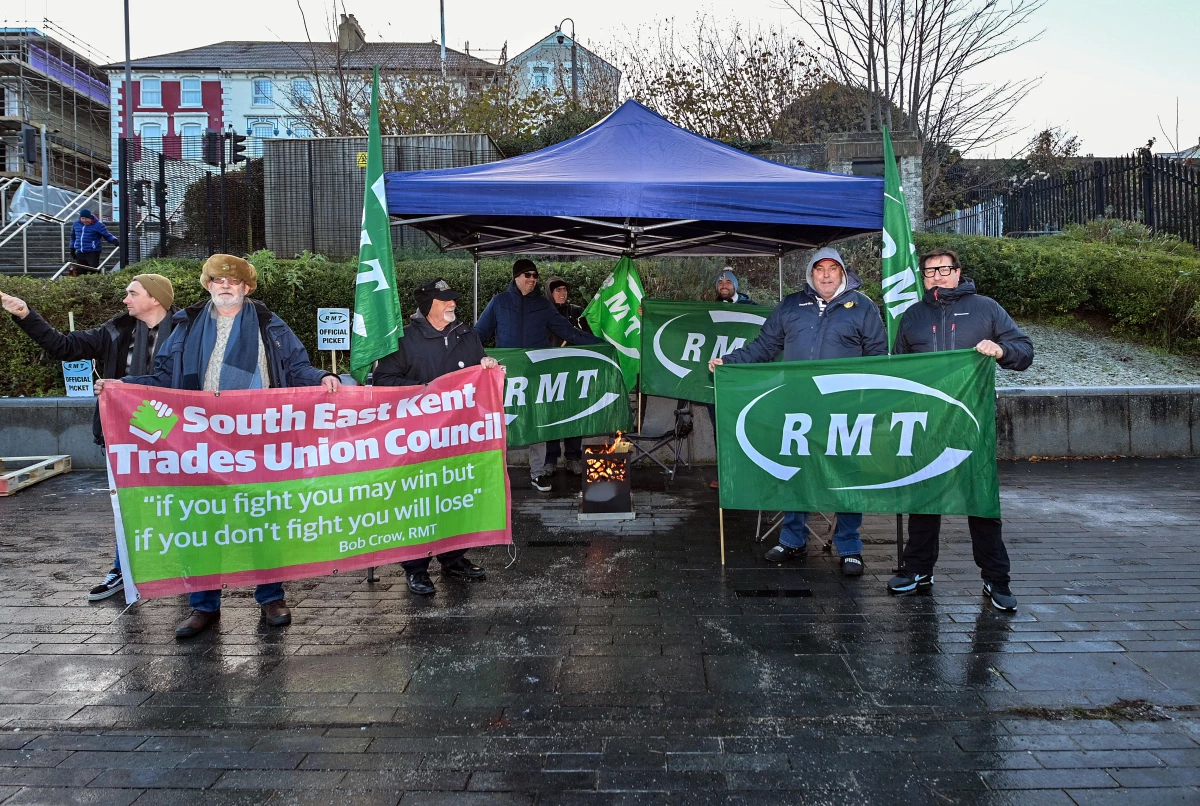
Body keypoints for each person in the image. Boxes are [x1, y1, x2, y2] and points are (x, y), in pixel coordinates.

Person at [98, 254, 339, 639]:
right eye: (217, 281)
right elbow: (163, 376)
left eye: (234, 281)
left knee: (263, 522)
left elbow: (297, 368)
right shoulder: (187, 324)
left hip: (257, 440)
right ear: (207, 285)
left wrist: (323, 376)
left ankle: (271, 597)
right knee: (200, 523)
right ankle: (203, 605)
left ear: (246, 287)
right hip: (199, 441)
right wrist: (121, 388)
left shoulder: (268, 324)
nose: (225, 286)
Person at [710, 248, 887, 577]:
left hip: (845, 414)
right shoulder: (791, 305)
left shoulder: (864, 307)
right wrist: (729, 362)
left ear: (843, 273)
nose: (826, 275)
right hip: (798, 409)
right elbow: (764, 346)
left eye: (833, 269)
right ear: (810, 273)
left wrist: (871, 406)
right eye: (819, 269)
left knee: (847, 478)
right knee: (795, 473)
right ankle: (793, 540)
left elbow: (878, 359)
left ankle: (849, 547)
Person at [2, 275, 178, 602]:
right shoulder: (114, 331)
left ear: (155, 299)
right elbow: (63, 347)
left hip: (176, 435)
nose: (125, 299)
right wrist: (25, 314)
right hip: (123, 434)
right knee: (127, 505)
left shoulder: (186, 332)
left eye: (132, 293)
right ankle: (122, 569)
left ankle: (190, 570)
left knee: (181, 503)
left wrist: (127, 386)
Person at [887, 248, 1034, 612]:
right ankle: (918, 569)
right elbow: (898, 371)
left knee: (981, 504)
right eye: (928, 272)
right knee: (922, 498)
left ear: (957, 272)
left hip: (973, 424)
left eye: (943, 269)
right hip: (926, 423)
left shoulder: (985, 308)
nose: (936, 276)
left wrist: (1000, 349)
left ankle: (996, 579)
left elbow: (1024, 350)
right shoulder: (913, 316)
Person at [374, 278, 501, 596]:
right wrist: (425, 391)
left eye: (453, 299)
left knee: (454, 498)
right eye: (445, 300)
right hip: (416, 439)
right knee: (417, 502)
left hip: (457, 437)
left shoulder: (467, 334)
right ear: (427, 304)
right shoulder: (404, 338)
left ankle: (453, 558)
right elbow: (383, 380)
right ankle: (415, 568)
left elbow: (478, 375)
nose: (452, 304)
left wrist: (486, 366)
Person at [475, 258, 599, 492]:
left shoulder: (543, 304)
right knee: (501, 425)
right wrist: (461, 353)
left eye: (535, 276)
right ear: (516, 277)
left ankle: (537, 473)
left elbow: (568, 331)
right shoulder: (499, 302)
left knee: (537, 423)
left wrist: (600, 344)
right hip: (506, 376)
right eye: (527, 275)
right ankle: (494, 475)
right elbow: (479, 333)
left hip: (536, 375)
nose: (532, 279)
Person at [699, 268, 757, 489]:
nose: (724, 285)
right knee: (720, 428)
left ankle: (749, 471)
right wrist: (650, 314)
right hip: (717, 381)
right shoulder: (708, 310)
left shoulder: (752, 308)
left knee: (746, 425)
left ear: (735, 285)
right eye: (720, 282)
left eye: (728, 282)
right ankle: (724, 474)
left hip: (744, 382)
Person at [543, 276, 590, 476]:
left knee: (574, 414)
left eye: (564, 290)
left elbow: (590, 333)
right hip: (550, 372)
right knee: (552, 416)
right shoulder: (543, 313)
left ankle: (573, 457)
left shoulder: (577, 312)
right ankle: (550, 459)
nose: (562, 293)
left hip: (574, 372)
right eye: (557, 290)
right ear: (549, 293)